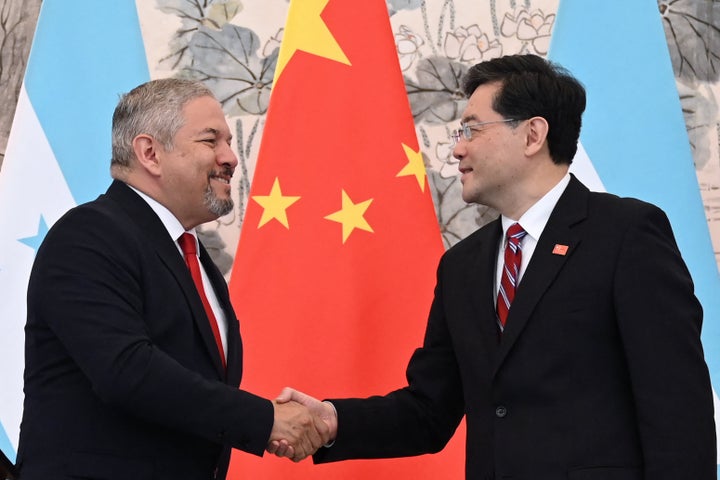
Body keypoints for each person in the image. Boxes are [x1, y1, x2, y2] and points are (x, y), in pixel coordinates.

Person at [269, 54, 717, 479]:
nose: (456, 151)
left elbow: (677, 409)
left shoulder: (626, 234)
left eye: (471, 130)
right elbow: (429, 410)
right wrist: (331, 420)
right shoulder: (462, 266)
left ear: (533, 135)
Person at [16, 78, 329, 480]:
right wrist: (265, 419)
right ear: (150, 153)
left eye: (229, 141)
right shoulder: (89, 236)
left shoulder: (196, 259)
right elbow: (127, 371)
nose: (230, 157)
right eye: (210, 140)